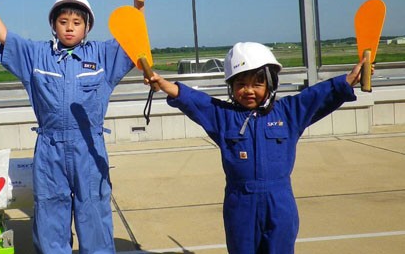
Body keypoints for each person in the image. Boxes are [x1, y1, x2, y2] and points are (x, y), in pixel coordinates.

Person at [0, 0, 151, 253]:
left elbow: (134, 38)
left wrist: (139, 3)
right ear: (54, 25)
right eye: (63, 21)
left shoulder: (102, 56)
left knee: (94, 212)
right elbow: (6, 38)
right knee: (50, 214)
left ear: (87, 26)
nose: (70, 26)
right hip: (49, 150)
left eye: (77, 21)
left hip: (89, 148)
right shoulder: (38, 56)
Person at [145, 42, 373, 254]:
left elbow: (318, 96)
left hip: (280, 203)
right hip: (240, 205)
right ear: (231, 87)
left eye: (257, 83)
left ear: (271, 84)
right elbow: (195, 101)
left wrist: (351, 78)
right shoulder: (223, 117)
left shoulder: (288, 112)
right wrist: (164, 84)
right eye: (241, 84)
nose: (249, 90)